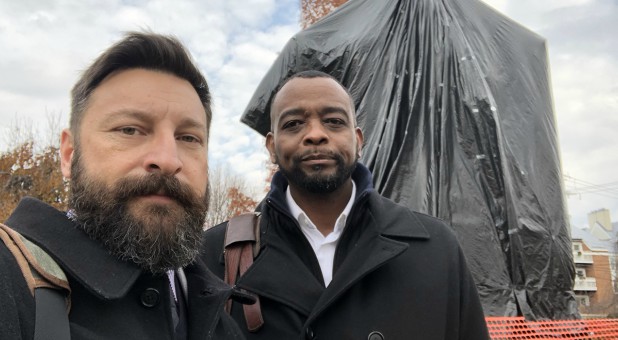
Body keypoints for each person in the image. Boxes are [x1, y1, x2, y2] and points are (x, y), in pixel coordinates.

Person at [202, 70, 490, 340]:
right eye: (293, 124)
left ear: (358, 140)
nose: (315, 134)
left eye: (334, 121)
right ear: (271, 146)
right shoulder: (211, 255)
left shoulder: (437, 248)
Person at [0, 32, 244, 340]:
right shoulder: (9, 281)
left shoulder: (220, 318)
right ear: (69, 154)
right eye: (130, 129)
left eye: (188, 138)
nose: (168, 160)